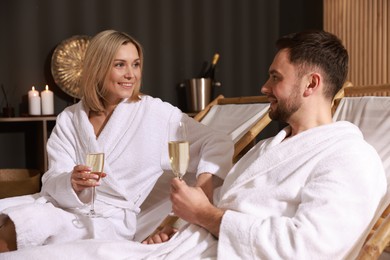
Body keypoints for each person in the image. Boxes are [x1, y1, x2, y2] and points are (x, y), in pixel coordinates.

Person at [0, 30, 386, 259]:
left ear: (311, 84)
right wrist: (174, 223)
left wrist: (203, 215)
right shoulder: (270, 148)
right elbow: (222, 206)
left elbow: (309, 247)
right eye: (120, 64)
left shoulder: (351, 158)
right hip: (175, 242)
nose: (263, 88)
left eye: (274, 77)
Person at [0, 30, 233, 252]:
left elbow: (217, 141)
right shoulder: (70, 118)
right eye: (120, 65)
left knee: (25, 224)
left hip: (108, 222)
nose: (131, 74)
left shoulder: (155, 113)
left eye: (136, 64)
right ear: (98, 68)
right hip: (65, 206)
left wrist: (204, 191)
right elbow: (52, 178)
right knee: (8, 211)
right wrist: (71, 181)